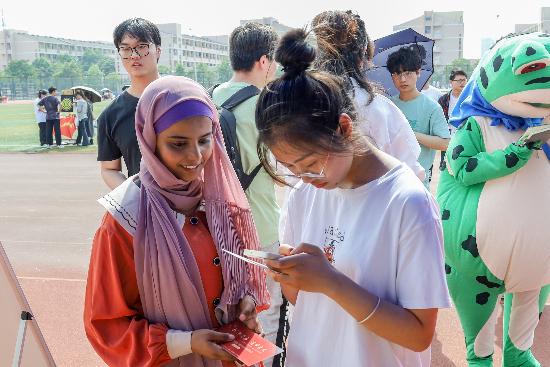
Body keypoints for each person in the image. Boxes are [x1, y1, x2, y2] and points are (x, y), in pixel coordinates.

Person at [255, 29, 450, 367]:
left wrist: (330, 281)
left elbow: (419, 334)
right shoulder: (305, 192)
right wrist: (292, 277)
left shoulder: (407, 202)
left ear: (343, 128)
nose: (304, 179)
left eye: (311, 163)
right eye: (291, 169)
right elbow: (302, 301)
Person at [84, 76, 270, 367]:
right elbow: (107, 326)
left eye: (205, 140)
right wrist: (186, 342)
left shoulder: (221, 203)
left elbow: (240, 278)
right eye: (178, 143)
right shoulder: (126, 220)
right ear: (149, 140)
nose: (195, 156)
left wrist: (244, 304)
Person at [210, 23, 283, 364]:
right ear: (264, 60)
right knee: (263, 317)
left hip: (215, 230)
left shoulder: (207, 99)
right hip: (259, 228)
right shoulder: (267, 108)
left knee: (221, 317)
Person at [311, 10, 424, 181]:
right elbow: (410, 170)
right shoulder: (377, 107)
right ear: (364, 50)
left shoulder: (300, 102)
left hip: (309, 203)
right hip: (375, 202)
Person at [97, 18, 161, 189]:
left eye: (142, 47)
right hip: (145, 209)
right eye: (125, 49)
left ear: (158, 51)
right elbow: (109, 169)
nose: (134, 55)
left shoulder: (184, 99)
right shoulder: (111, 115)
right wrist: (135, 198)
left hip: (194, 208)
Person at [387, 46, 450, 188]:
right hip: (390, 179)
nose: (402, 79)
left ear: (418, 73)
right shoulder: (388, 106)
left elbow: (444, 143)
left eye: (408, 73)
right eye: (396, 74)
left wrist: (411, 134)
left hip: (418, 182)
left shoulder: (431, 107)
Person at [437, 69, 468, 170]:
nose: (462, 83)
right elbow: (439, 119)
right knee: (445, 165)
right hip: (448, 136)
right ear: (451, 82)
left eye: (464, 80)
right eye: (459, 80)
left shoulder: (470, 99)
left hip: (465, 135)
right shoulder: (444, 99)